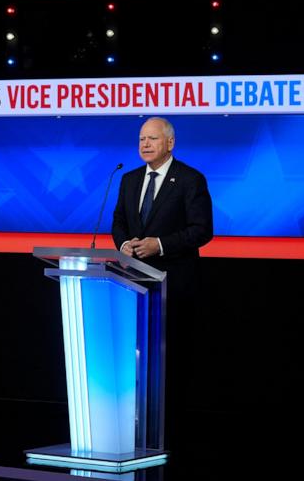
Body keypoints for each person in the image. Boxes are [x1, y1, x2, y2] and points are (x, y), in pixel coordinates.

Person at [110, 116, 213, 451]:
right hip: (134, 285)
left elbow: (202, 231)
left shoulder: (190, 180)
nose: (145, 144)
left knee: (172, 361)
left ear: (170, 143)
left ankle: (171, 430)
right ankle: (136, 422)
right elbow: (119, 223)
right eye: (141, 138)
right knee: (135, 357)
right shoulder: (128, 180)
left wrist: (160, 244)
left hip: (175, 286)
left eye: (152, 139)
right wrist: (124, 245)